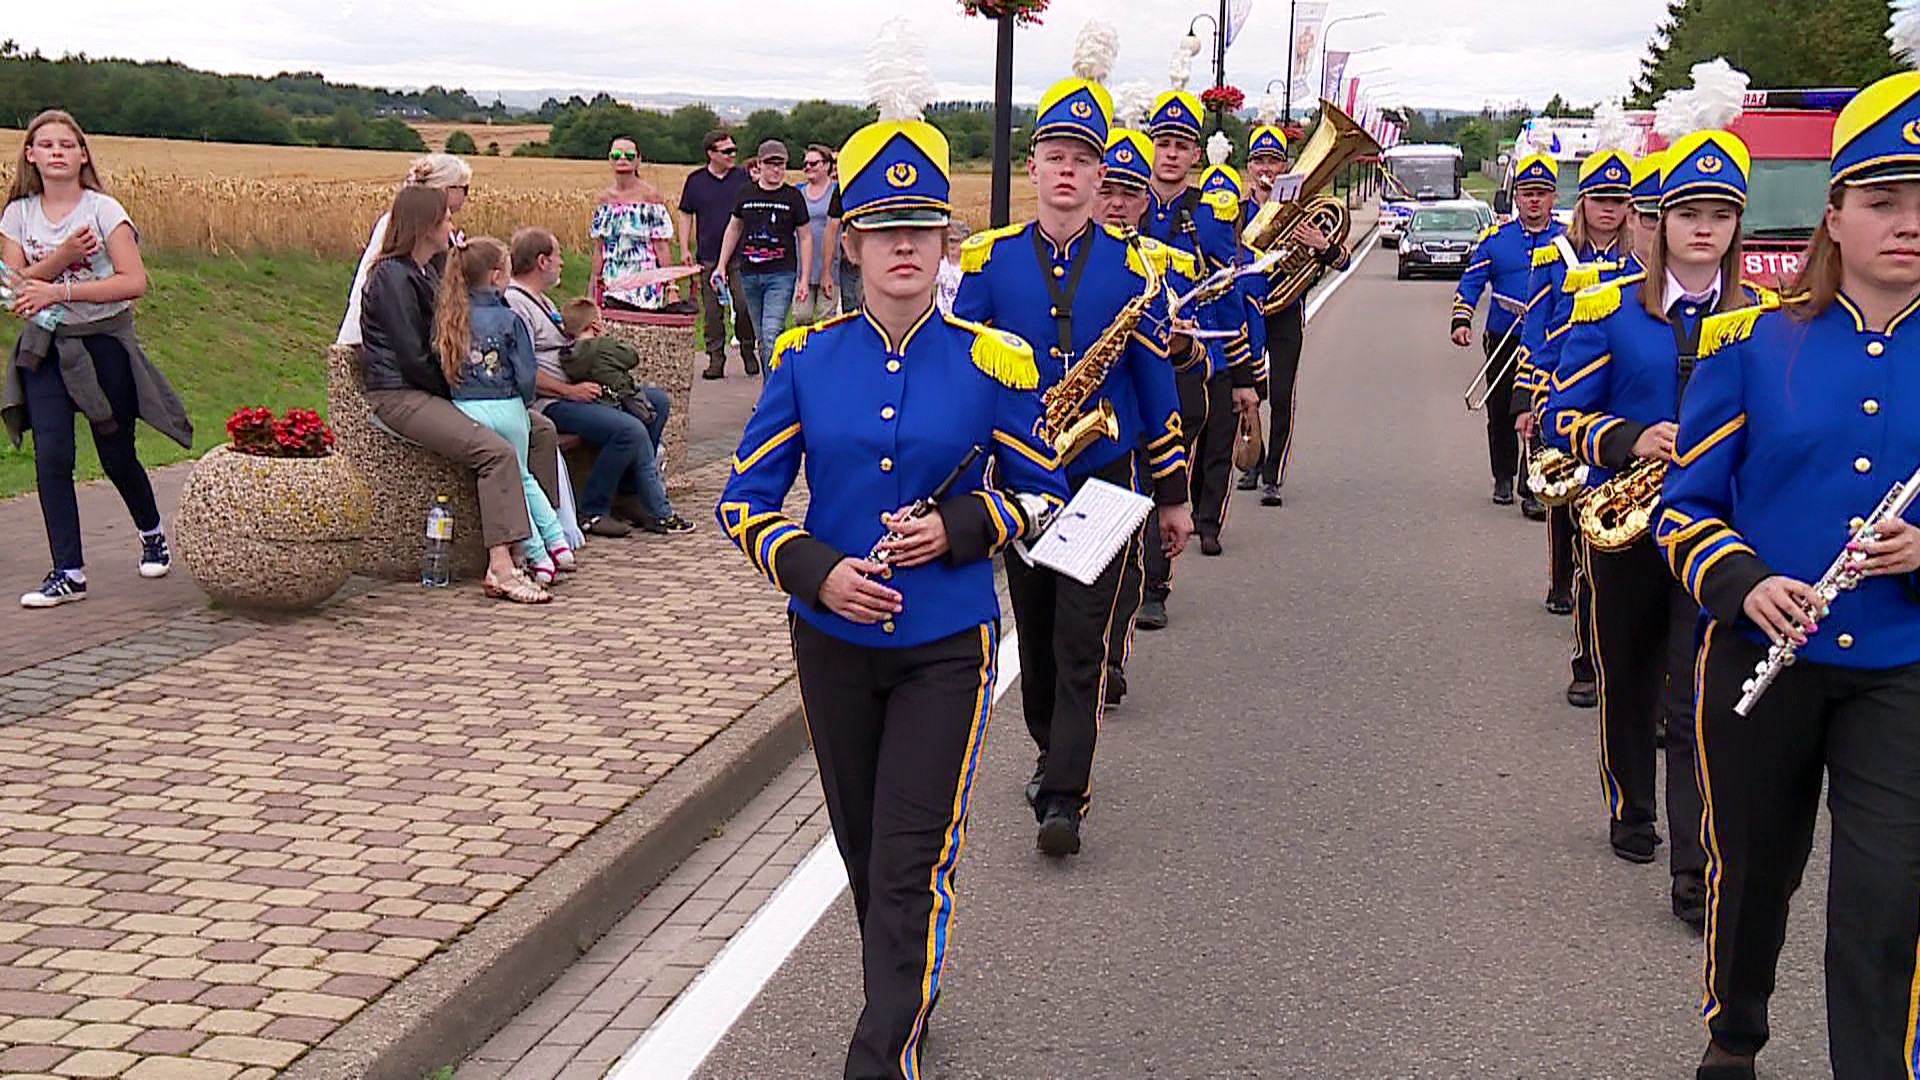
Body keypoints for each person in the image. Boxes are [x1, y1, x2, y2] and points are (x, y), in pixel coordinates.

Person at [717, 40, 1069, 1075]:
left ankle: (883, 1050)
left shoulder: (994, 362)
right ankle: (908, 991)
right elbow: (743, 502)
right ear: (852, 244)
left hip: (946, 642)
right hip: (830, 640)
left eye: (920, 228)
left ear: (944, 241)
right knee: (866, 852)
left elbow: (1045, 493)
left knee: (914, 857)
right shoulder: (804, 361)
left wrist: (963, 527)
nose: (903, 246)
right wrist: (816, 569)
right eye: (882, 229)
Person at [1656, 71, 1920, 1080]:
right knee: (1756, 870)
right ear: (1835, 217)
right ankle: (1735, 1035)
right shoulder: (1755, 344)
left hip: (1902, 661)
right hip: (1762, 656)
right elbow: (1683, 508)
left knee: (1888, 895)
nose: (1908, 224)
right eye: (1884, 201)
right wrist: (1746, 582)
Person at [954, 23, 1195, 857]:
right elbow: (965, 375)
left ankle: (1065, 794)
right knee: (1038, 638)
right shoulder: (988, 263)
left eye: (1082, 160)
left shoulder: (1137, 269)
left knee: (1082, 640)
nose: (1067, 170)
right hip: (1022, 483)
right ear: (1033, 169)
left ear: (1101, 175)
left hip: (1104, 475)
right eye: (1053, 155)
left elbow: (1157, 388)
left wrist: (1173, 496)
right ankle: (1048, 748)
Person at [1546, 127, 1764, 933]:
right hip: (1628, 523)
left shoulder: (1764, 320)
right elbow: (1561, 416)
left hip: (1716, 534)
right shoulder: (1609, 311)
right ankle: (1631, 804)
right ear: (1658, 221)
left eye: (1721, 215)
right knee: (1628, 675)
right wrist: (1632, 438)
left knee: (1694, 695)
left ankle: (1693, 866)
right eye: (1689, 214)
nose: (1705, 229)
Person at [2, 109, 190, 609]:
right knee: (52, 455)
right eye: (47, 144)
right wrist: (62, 258)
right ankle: (68, 572)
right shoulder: (18, 214)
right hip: (45, 346)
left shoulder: (104, 210)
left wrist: (59, 289)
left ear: (83, 155)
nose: (57, 152)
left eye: (68, 144)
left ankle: (152, 532)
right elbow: (12, 287)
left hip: (103, 342)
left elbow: (134, 281)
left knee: (115, 452)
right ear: (30, 155)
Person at [356, 186, 549, 603]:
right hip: (400, 395)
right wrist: (461, 396)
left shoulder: (425, 271)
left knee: (541, 430)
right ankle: (501, 566)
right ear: (426, 226)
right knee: (496, 452)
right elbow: (413, 356)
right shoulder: (390, 276)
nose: (451, 226)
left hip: (433, 389)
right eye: (445, 219)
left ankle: (540, 546)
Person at [1512, 147, 1640, 709]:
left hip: (1625, 409)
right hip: (1568, 398)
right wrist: (1529, 397)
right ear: (1583, 202)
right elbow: (1537, 332)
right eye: (1600, 199)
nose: (1609, 209)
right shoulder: (1554, 255)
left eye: (1619, 200)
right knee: (1567, 507)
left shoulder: (1644, 263)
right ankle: (1581, 646)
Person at [1138, 80, 1259, 570]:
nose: (1170, 154)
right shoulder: (1127, 204)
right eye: (1163, 143)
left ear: (1195, 155)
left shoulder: (1210, 215)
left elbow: (1229, 298)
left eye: (1181, 146)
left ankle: (1186, 546)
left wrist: (1243, 377)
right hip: (1137, 357)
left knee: (1197, 458)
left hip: (1199, 360)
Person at [502, 227, 692, 538]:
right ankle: (593, 508)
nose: (562, 263)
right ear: (541, 262)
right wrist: (570, 391)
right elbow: (525, 369)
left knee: (655, 402)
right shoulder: (517, 304)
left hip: (576, 390)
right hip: (550, 402)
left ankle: (628, 494)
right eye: (558, 256)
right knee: (628, 430)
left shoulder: (544, 301)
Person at [436, 236, 572, 591]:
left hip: (468, 406)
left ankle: (538, 555)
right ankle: (556, 542)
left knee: (508, 481)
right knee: (523, 477)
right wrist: (523, 401)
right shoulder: (509, 319)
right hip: (508, 404)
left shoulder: (451, 317)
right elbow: (526, 372)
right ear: (497, 276)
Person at [1240, 120, 1352, 508]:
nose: (1266, 169)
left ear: (1285, 167)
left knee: (1282, 395)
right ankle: (1252, 460)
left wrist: (1320, 245)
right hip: (1245, 314)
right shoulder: (1235, 213)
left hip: (1285, 313)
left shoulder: (1300, 213)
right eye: (1259, 161)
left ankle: (1273, 475)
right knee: (1247, 393)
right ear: (1249, 167)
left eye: (1274, 161)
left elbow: (1343, 261)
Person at [1452, 152, 1564, 510]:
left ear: (1553, 197)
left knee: (1540, 409)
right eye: (1527, 193)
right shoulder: (1497, 239)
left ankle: (1531, 483)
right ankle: (1502, 475)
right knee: (1500, 411)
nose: (1534, 200)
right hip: (1504, 336)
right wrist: (1461, 319)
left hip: (1549, 342)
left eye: (1541, 193)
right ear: (1516, 197)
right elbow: (1472, 281)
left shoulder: (1567, 241)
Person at [339, 153, 472, 348]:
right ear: (445, 188)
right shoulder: (401, 223)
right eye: (464, 188)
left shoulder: (435, 226)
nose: (466, 196)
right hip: (379, 338)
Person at [713, 140, 812, 380]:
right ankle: (774, 383)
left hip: (781, 273)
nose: (776, 170)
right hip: (749, 272)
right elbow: (734, 228)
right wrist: (721, 265)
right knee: (762, 336)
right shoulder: (746, 193)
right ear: (759, 165)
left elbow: (805, 236)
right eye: (770, 164)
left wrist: (804, 278)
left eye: (781, 165)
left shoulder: (793, 197)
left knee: (771, 332)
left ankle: (773, 391)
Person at [679, 130, 759, 379]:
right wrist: (684, 247)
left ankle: (747, 347)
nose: (732, 155)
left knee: (744, 304)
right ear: (710, 153)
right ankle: (716, 358)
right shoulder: (695, 181)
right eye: (726, 151)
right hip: (708, 255)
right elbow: (685, 214)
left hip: (741, 255)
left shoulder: (743, 178)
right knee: (713, 312)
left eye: (734, 150)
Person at [592, 138, 688, 315]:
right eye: (617, 155)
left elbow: (661, 247)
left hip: (645, 280)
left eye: (629, 155)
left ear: (638, 160)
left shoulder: (650, 197)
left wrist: (672, 287)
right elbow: (600, 248)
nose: (622, 159)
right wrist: (594, 285)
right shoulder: (604, 200)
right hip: (612, 279)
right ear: (610, 159)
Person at [558, 297, 672, 440]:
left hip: (595, 401)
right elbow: (631, 357)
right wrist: (606, 336)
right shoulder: (601, 346)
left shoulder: (569, 354)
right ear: (595, 324)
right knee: (647, 415)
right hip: (616, 399)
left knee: (658, 400)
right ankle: (647, 452)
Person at [793, 144, 843, 324]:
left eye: (813, 163)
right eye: (805, 164)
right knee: (801, 316)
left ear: (827, 165)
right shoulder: (798, 193)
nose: (808, 167)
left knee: (826, 319)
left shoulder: (837, 193)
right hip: (803, 267)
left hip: (830, 267)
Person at [934, 220, 968, 316]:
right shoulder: (941, 263)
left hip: (961, 317)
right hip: (943, 317)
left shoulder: (968, 267)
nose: (952, 245)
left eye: (956, 241)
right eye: (949, 241)